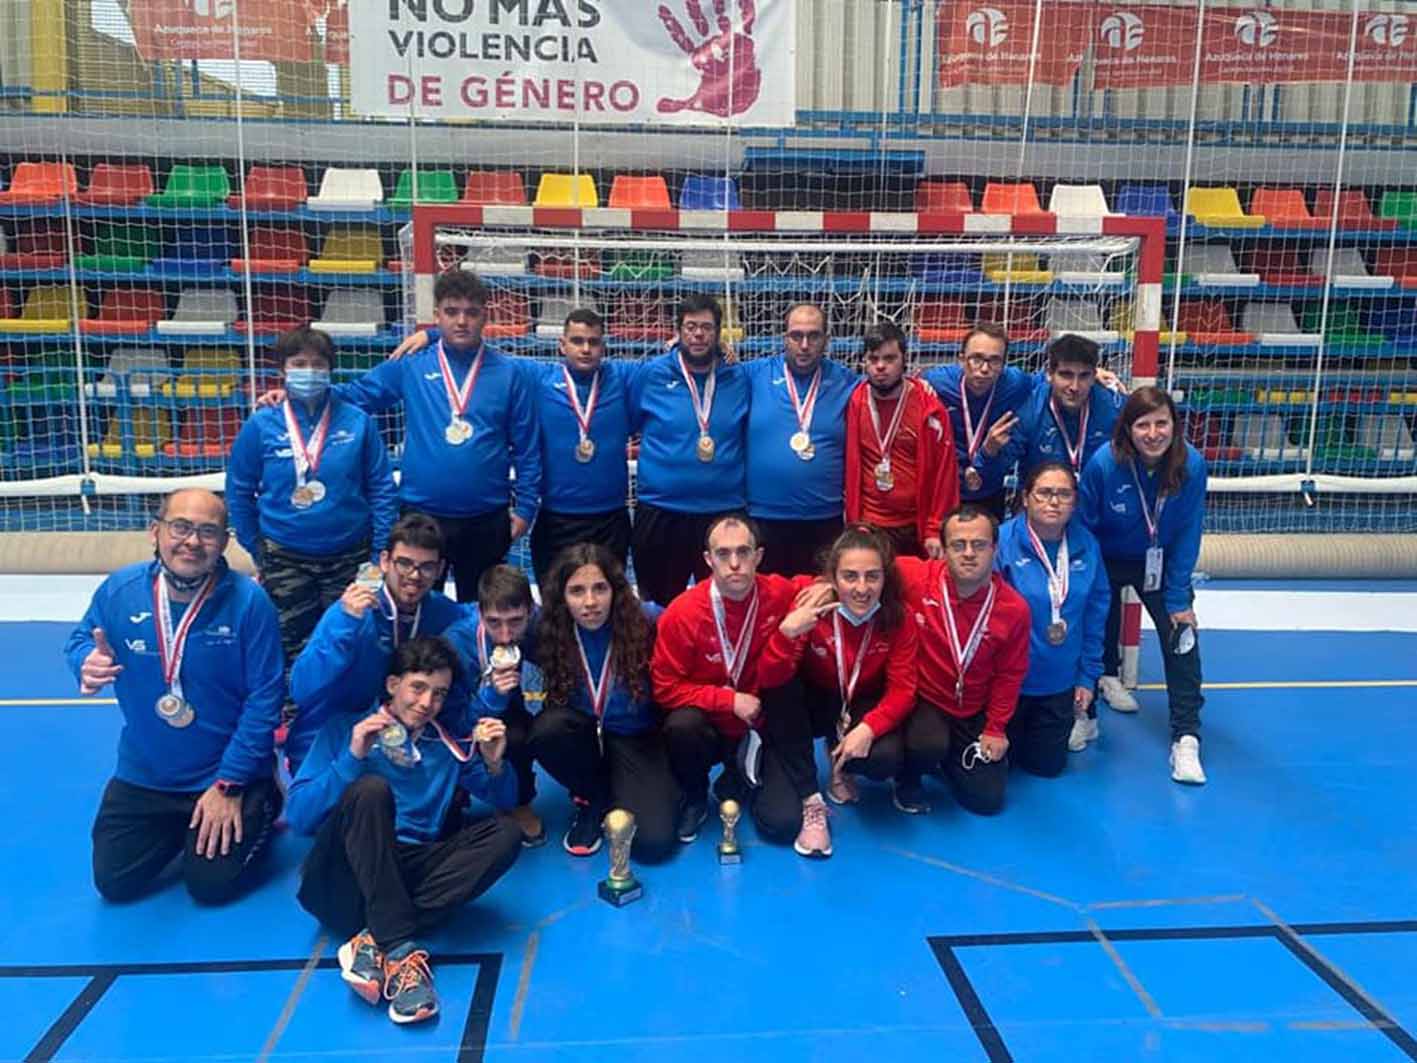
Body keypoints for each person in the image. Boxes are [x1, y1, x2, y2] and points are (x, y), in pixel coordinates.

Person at [65, 488, 283, 904]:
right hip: (147, 775)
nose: (192, 541)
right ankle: (183, 828)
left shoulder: (250, 603)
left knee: (211, 886)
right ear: (156, 532)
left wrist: (229, 783)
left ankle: (264, 799)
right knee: (115, 882)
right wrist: (85, 662)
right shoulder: (120, 591)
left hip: (224, 774)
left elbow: (264, 701)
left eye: (207, 531)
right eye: (180, 527)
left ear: (224, 541)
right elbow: (79, 640)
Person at [288, 637, 521, 1027]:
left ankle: (371, 939)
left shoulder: (446, 746)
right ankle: (399, 950)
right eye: (418, 687)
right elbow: (299, 817)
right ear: (393, 684)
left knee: (506, 835)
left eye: (439, 694)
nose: (427, 703)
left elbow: (506, 798)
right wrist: (354, 757)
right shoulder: (345, 729)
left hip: (406, 870)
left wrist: (496, 765)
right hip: (342, 880)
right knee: (370, 791)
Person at [330, 270, 541, 602]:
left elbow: (528, 447)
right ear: (437, 315)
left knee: (481, 615)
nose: (461, 321)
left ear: (486, 316)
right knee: (415, 607)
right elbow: (356, 395)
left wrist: (526, 509)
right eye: (451, 311)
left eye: (471, 313)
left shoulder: (510, 373)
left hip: (486, 519)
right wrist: (296, 397)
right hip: (422, 515)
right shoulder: (411, 365)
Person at [388, 308, 633, 588]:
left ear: (604, 345)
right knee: (554, 608)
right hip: (556, 518)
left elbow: (664, 364)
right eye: (577, 341)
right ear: (562, 345)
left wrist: (679, 346)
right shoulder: (537, 377)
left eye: (594, 341)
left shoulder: (622, 378)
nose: (586, 349)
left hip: (611, 519)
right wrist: (433, 334)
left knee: (609, 603)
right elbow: (478, 353)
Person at [226, 326, 398, 711]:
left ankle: (351, 716)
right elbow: (239, 491)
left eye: (317, 364)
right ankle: (295, 719)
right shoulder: (261, 425)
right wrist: (259, 548)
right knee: (291, 645)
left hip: (350, 557)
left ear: (331, 370)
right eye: (299, 364)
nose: (309, 371)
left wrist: (378, 554)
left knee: (353, 636)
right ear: (283, 370)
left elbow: (382, 490)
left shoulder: (357, 422)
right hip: (286, 558)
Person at [651, 514, 835, 857]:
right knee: (681, 726)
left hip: (763, 726)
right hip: (711, 726)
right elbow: (664, 687)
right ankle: (695, 795)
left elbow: (816, 583)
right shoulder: (682, 614)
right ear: (708, 560)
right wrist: (727, 700)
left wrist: (827, 585)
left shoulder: (778, 593)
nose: (734, 564)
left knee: (780, 826)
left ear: (759, 556)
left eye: (744, 552)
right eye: (723, 554)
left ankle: (744, 775)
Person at [1079, 386, 1208, 784]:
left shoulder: (1192, 465)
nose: (1153, 433)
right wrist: (1091, 585)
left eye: (1161, 423)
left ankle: (1186, 737)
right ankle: (1086, 715)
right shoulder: (1103, 463)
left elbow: (1188, 531)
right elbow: (1084, 527)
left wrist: (1176, 597)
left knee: (1181, 634)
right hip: (1107, 557)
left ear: (1174, 425)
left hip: (1160, 561)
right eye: (1143, 425)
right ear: (1128, 430)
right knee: (1091, 623)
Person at [528, 543, 679, 860]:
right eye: (577, 591)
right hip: (580, 736)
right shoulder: (548, 629)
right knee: (546, 730)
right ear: (561, 597)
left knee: (653, 845)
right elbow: (488, 622)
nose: (590, 602)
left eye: (600, 588)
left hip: (636, 738)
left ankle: (637, 787)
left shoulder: (648, 621)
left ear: (616, 590)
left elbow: (689, 630)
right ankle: (591, 798)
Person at [286, 513, 466, 774]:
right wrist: (344, 629)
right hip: (330, 739)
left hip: (398, 739)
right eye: (404, 563)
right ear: (384, 561)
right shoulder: (349, 613)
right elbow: (301, 689)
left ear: (439, 570)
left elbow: (484, 617)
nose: (414, 576)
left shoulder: (441, 610)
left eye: (426, 567)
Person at [892, 506, 1031, 815]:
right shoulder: (917, 577)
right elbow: (863, 562)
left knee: (986, 801)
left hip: (974, 707)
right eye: (958, 545)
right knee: (927, 745)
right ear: (943, 549)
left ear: (995, 549)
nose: (969, 553)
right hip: (927, 700)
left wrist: (995, 727)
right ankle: (909, 776)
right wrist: (823, 584)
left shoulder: (1014, 609)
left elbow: (1010, 674)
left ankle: (951, 759)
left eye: (979, 545)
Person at [627, 295, 750, 606]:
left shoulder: (740, 377)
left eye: (707, 328)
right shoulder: (650, 375)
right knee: (657, 609)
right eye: (691, 327)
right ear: (678, 331)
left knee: (726, 606)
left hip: (722, 514)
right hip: (661, 512)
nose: (698, 334)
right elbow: (628, 423)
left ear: (719, 333)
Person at [785, 524, 919, 806]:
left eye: (872, 576)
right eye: (849, 576)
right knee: (782, 694)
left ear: (885, 578)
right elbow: (772, 676)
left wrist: (868, 728)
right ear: (832, 577)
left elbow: (903, 690)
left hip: (860, 697)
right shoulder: (806, 598)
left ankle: (843, 759)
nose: (861, 588)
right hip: (814, 696)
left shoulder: (898, 617)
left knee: (884, 759)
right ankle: (802, 780)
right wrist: (788, 632)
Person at [995, 462, 1110, 777]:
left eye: (1063, 494)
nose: (1054, 501)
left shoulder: (1087, 546)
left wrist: (1088, 678)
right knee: (1000, 768)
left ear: (1075, 501)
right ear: (1026, 498)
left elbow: (1096, 615)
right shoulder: (1001, 543)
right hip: (1007, 686)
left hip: (1058, 685)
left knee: (1047, 767)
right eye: (1044, 493)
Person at [744, 304, 857, 575]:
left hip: (825, 520)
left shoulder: (848, 382)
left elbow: (888, 389)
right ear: (785, 338)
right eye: (796, 336)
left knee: (818, 606)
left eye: (813, 336)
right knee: (770, 608)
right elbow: (712, 371)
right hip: (764, 519)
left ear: (826, 340)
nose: (804, 345)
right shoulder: (754, 375)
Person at [441, 565, 544, 846]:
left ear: (531, 609)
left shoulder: (543, 628)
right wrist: (491, 695)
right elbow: (453, 722)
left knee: (537, 730)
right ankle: (459, 788)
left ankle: (520, 800)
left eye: (515, 621)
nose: (505, 635)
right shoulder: (456, 642)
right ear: (479, 613)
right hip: (471, 714)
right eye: (494, 622)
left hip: (519, 709)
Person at [845, 322, 959, 559]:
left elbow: (944, 474)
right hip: (870, 525)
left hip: (915, 527)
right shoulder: (855, 402)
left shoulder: (929, 408)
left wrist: (935, 528)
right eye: (873, 358)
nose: (880, 366)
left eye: (889, 358)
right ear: (863, 361)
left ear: (905, 359)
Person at [975, 333, 1124, 487]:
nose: (1074, 386)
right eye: (1066, 375)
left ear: (1094, 375)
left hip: (1096, 504)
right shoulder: (1029, 410)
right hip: (1042, 505)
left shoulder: (1115, 407)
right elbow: (987, 477)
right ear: (1049, 373)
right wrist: (988, 453)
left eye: (1084, 376)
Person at [922, 324, 1034, 520]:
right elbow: (905, 384)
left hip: (990, 490)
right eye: (976, 359)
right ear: (961, 360)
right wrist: (918, 386)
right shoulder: (937, 382)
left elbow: (1050, 380)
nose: (984, 369)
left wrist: (1097, 374)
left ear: (1004, 364)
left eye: (994, 361)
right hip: (946, 490)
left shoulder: (1016, 383)